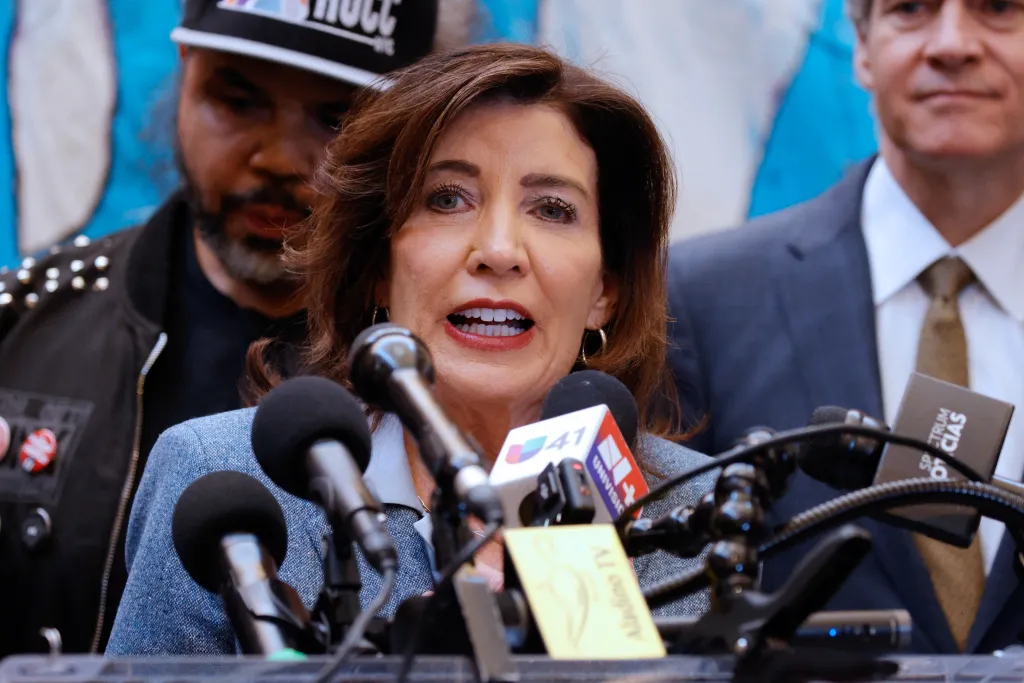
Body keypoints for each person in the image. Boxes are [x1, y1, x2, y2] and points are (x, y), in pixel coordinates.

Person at [105, 42, 717, 656]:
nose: (499, 249)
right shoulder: (222, 479)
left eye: (553, 209)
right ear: (379, 267)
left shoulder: (691, 511)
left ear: (603, 293)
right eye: (448, 198)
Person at [0, 0, 470, 655]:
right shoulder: (20, 329)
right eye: (239, 100)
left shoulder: (462, 373)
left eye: (336, 118)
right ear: (185, 70)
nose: (280, 157)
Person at [668, 0, 1024, 655]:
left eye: (998, 8)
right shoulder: (701, 298)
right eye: (910, 9)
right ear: (860, 45)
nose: (952, 44)